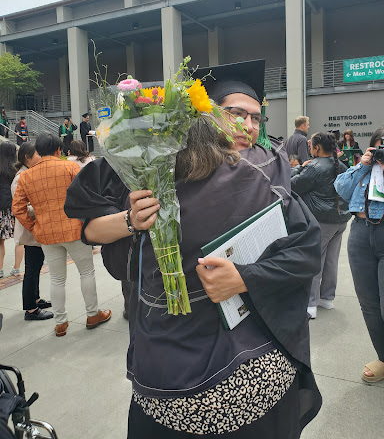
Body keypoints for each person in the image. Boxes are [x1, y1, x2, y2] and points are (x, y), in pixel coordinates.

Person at [65, 60, 322, 438]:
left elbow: (306, 246)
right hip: (168, 362)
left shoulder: (267, 168)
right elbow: (89, 230)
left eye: (256, 118)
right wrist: (131, 221)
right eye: (235, 114)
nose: (248, 126)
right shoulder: (148, 164)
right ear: (205, 114)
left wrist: (245, 278)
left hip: (246, 358)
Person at [12, 133, 111, 337]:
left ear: (38, 151)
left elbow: (18, 208)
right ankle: (92, 314)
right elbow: (89, 194)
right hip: (74, 228)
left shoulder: (26, 176)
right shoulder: (71, 167)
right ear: (58, 150)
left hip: (47, 234)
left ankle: (60, 323)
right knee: (86, 272)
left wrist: (34, 227)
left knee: (56, 279)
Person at [334, 127, 384, 383]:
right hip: (361, 234)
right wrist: (363, 165)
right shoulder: (365, 168)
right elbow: (341, 188)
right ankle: (383, 358)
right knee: (369, 304)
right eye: (379, 147)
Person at [291, 132, 351, 319]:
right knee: (331, 259)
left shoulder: (313, 167)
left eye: (311, 145)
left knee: (315, 259)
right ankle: (327, 298)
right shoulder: (341, 165)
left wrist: (299, 168)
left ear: (317, 148)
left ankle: (310, 304)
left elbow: (292, 185)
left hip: (321, 220)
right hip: (340, 219)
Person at [11, 142, 53, 321]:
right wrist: (41, 206)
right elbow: (20, 207)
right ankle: (30, 309)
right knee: (32, 269)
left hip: (34, 230)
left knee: (35, 267)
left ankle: (35, 299)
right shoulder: (20, 178)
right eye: (37, 154)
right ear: (27, 157)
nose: (40, 157)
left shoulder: (27, 174)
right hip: (30, 230)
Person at [0, 142, 24, 279]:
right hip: (14, 208)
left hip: (0, 209)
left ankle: (0, 270)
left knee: (0, 241)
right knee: (19, 239)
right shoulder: (16, 169)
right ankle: (16, 268)